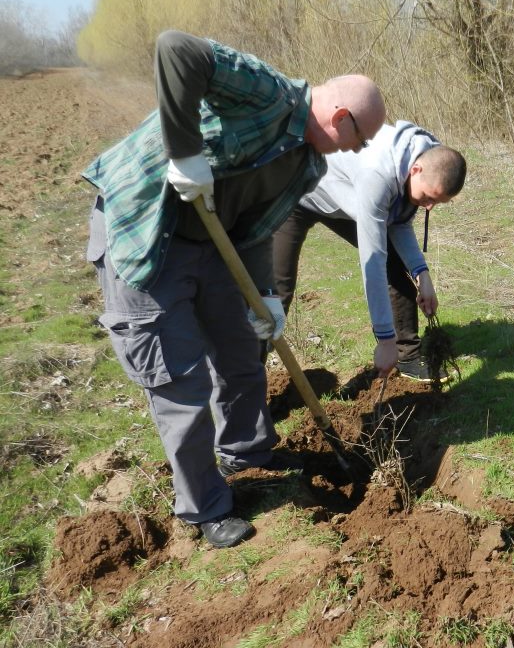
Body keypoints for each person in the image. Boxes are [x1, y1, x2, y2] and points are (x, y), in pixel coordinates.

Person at [82, 30, 386, 548]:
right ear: (340, 118)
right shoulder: (266, 91)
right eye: (356, 140)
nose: (354, 151)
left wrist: (264, 295)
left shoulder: (307, 163)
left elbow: (254, 229)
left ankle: (248, 451)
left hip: (214, 247)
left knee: (243, 350)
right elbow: (177, 49)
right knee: (180, 380)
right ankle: (205, 506)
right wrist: (185, 153)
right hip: (147, 233)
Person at [272, 122, 466, 379]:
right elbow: (372, 261)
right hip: (297, 192)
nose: (429, 207)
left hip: (346, 193)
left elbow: (399, 222)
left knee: (396, 267)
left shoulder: (427, 162)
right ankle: (244, 382)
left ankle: (407, 356)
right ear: (416, 170)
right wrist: (384, 339)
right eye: (429, 197)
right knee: (275, 292)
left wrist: (423, 275)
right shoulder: (379, 174)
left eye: (437, 202)